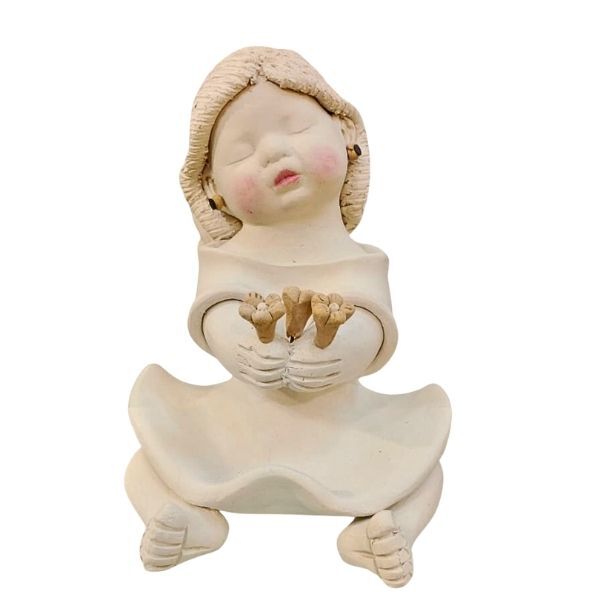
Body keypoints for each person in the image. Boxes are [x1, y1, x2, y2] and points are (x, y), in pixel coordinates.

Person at [125, 47, 450, 588]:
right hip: (234, 434)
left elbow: (371, 328)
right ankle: (186, 522)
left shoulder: (361, 260)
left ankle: (379, 535)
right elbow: (216, 315)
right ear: (212, 190)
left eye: (296, 127)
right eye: (241, 151)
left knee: (424, 468)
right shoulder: (225, 258)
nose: (274, 150)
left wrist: (343, 353)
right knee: (146, 462)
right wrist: (241, 346)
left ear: (348, 137)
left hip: (343, 435)